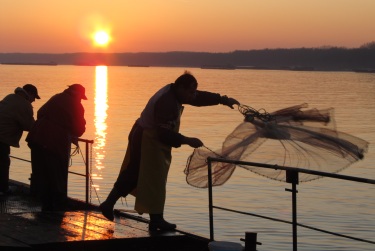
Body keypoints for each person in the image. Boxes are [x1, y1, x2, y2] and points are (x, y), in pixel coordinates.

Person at [100, 71, 240, 231]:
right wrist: (187, 140)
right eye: (190, 92)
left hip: (151, 137)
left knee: (156, 178)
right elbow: (164, 134)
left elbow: (199, 97)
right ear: (181, 87)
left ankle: (155, 218)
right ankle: (117, 206)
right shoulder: (167, 102)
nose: (192, 96)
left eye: (193, 92)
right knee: (136, 173)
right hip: (145, 138)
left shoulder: (177, 93)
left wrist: (222, 100)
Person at [26, 84, 87, 211]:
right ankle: (57, 205)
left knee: (41, 172)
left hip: (37, 137)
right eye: (81, 97)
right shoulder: (76, 105)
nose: (81, 100)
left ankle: (46, 203)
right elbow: (80, 129)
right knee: (57, 173)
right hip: (55, 142)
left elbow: (40, 112)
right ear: (76, 94)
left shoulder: (56, 97)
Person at [0, 84, 40, 195]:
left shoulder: (10, 97)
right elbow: (30, 126)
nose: (34, 101)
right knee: (3, 163)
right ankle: (3, 189)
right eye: (34, 97)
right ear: (30, 93)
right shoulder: (24, 105)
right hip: (2, 138)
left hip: (2, 136)